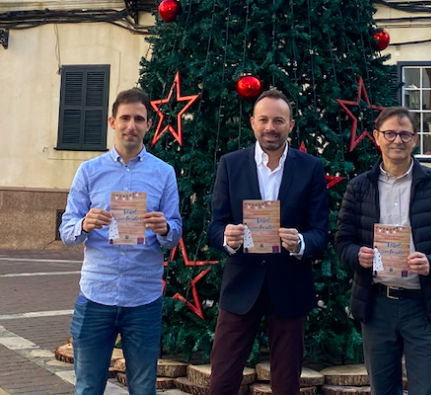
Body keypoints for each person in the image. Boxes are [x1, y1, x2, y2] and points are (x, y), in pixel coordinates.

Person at [335, 107, 431, 395]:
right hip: (377, 306)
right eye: (389, 133)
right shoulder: (360, 187)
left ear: (415, 139)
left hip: (423, 306)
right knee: (383, 390)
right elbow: (342, 240)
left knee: (425, 390)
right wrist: (357, 256)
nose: (397, 140)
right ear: (376, 137)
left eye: (405, 134)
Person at [60, 88, 182, 395]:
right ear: (112, 122)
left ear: (148, 125)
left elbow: (175, 234)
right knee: (88, 387)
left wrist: (165, 228)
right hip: (95, 296)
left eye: (138, 119)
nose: (131, 125)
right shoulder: (89, 171)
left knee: (142, 388)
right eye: (125, 118)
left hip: (144, 299)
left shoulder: (164, 173)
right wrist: (85, 224)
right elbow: (67, 232)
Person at [207, 90, 329, 395]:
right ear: (252, 123)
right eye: (263, 119)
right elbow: (214, 228)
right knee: (222, 380)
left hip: (289, 286)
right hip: (241, 285)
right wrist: (228, 239)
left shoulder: (310, 167)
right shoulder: (231, 164)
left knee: (286, 384)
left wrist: (300, 242)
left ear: (290, 125)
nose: (270, 127)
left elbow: (320, 232)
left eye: (278, 120)